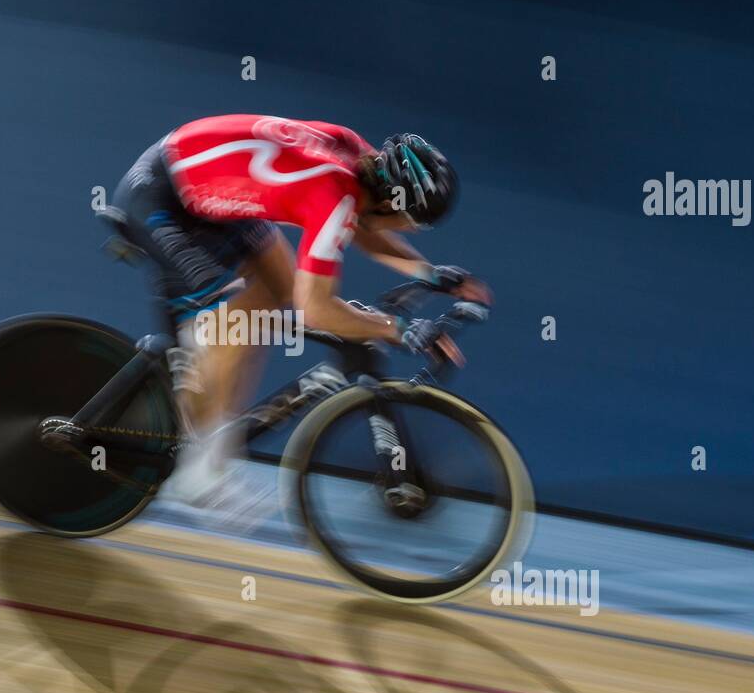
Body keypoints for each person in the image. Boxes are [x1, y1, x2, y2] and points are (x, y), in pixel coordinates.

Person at [107, 113, 491, 509]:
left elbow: (366, 229)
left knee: (280, 288)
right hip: (160, 202)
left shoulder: (358, 158)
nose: (409, 231)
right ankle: (196, 468)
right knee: (231, 325)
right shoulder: (332, 198)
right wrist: (399, 328)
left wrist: (429, 274)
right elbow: (316, 311)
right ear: (395, 204)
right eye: (413, 223)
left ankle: (203, 413)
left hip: (202, 185)